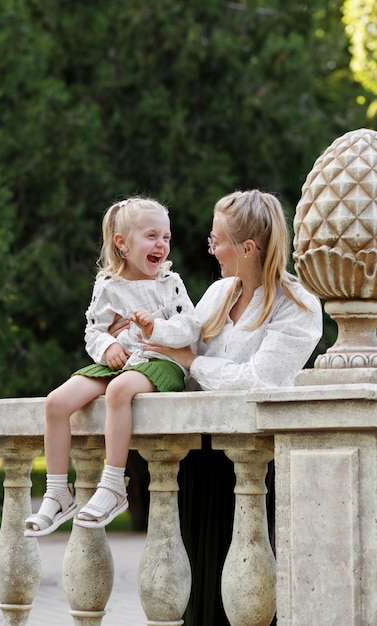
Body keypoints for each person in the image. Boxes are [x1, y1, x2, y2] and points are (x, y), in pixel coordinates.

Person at [139, 189, 323, 625]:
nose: (211, 247)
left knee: (248, 596)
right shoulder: (219, 293)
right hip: (198, 460)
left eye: (216, 239)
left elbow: (261, 382)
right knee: (196, 591)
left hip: (257, 467)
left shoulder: (297, 305)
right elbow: (177, 352)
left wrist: (196, 362)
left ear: (247, 248)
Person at [24, 196, 200, 537]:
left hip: (161, 361)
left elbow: (190, 327)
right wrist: (108, 347)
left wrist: (155, 328)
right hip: (122, 363)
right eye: (151, 236)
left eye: (166, 237)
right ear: (122, 242)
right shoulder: (107, 286)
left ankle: (113, 484)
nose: (161, 244)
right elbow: (94, 331)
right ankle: (58, 492)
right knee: (56, 403)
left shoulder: (169, 283)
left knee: (119, 390)